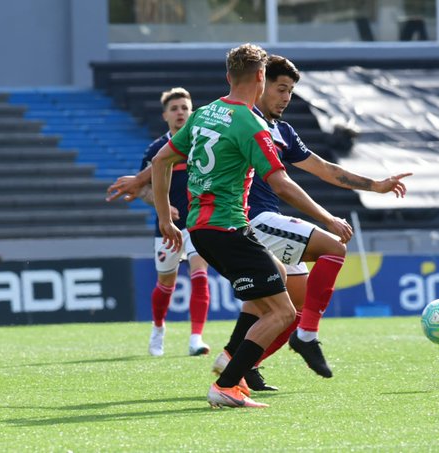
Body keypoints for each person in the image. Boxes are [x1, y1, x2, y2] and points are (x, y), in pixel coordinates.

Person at [150, 43, 353, 409]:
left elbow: (162, 159)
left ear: (229, 76)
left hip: (201, 230)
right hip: (228, 228)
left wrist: (165, 217)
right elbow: (281, 184)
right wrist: (326, 218)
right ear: (261, 78)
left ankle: (234, 361)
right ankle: (227, 383)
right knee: (284, 313)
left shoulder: (205, 113)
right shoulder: (251, 123)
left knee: (276, 290)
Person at [211, 55, 412, 391]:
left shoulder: (282, 131)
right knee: (333, 248)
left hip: (262, 222)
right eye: (280, 88)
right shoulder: (244, 121)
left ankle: (240, 363)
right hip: (252, 220)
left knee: (293, 302)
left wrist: (375, 185)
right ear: (260, 84)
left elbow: (324, 168)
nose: (286, 97)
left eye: (290, 91)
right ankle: (307, 336)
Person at [134, 87, 211, 357]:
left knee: (200, 273)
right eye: (175, 108)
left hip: (198, 221)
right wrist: (163, 206)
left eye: (185, 108)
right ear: (165, 115)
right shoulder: (157, 149)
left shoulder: (202, 143)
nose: (180, 113)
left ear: (191, 113)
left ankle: (196, 338)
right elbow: (141, 189)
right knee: (166, 284)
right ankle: (158, 329)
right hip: (167, 226)